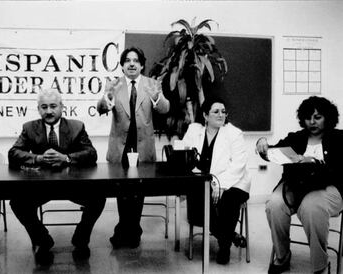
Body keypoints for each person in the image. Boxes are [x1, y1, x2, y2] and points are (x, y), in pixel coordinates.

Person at [8, 88, 106, 264]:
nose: (49, 111)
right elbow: (13, 153)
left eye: (53, 106)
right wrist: (38, 158)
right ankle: (42, 240)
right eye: (44, 107)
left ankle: (81, 239)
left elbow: (91, 153)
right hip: (41, 186)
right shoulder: (29, 128)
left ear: (62, 107)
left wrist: (67, 158)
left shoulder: (76, 126)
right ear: (38, 109)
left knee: (98, 197)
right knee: (17, 202)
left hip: (73, 184)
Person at [256, 96, 343, 274]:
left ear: (328, 117)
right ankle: (282, 256)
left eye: (317, 117)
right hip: (295, 186)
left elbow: (339, 171)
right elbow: (273, 152)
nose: (312, 122)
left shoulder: (339, 138)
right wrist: (262, 145)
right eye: (308, 117)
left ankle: (320, 265)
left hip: (327, 188)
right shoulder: (296, 138)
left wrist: (313, 163)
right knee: (274, 204)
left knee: (311, 207)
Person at [97, 47, 170, 248]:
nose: (131, 64)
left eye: (135, 60)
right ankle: (128, 231)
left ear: (142, 64)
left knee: (138, 191)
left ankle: (129, 232)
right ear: (122, 65)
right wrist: (107, 97)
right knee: (122, 191)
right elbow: (101, 108)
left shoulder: (151, 84)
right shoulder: (115, 84)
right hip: (120, 147)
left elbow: (165, 109)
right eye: (127, 60)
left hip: (143, 146)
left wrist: (156, 97)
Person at [181, 96, 250, 264]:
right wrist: (210, 184)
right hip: (203, 182)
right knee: (199, 198)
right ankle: (228, 237)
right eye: (216, 111)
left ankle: (224, 247)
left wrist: (220, 185)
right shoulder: (194, 130)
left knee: (229, 199)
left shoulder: (234, 133)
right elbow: (185, 158)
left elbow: (238, 166)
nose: (221, 115)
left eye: (223, 112)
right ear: (205, 116)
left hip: (234, 182)